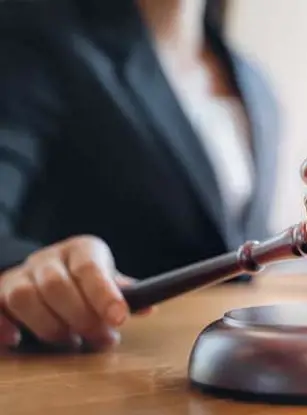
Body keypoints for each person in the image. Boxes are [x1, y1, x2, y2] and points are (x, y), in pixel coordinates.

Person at [0, 0, 281, 350]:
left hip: (227, 365)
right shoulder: (35, 36)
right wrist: (25, 267)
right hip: (95, 367)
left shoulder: (255, 83)